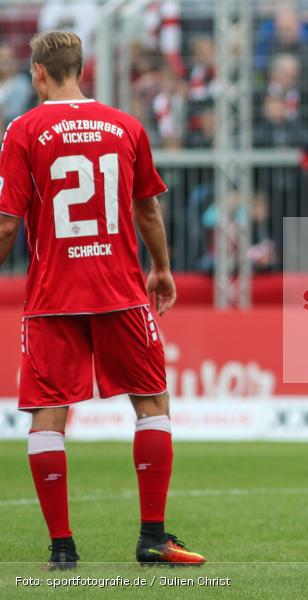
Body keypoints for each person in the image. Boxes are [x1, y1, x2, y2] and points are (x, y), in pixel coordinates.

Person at [0, 31, 204, 569]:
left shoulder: (22, 129)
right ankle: (154, 538)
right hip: (120, 288)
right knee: (152, 404)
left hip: (52, 296)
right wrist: (160, 269)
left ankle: (62, 548)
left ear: (39, 73)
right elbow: (148, 211)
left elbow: (5, 225)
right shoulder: (125, 126)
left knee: (48, 418)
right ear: (81, 70)